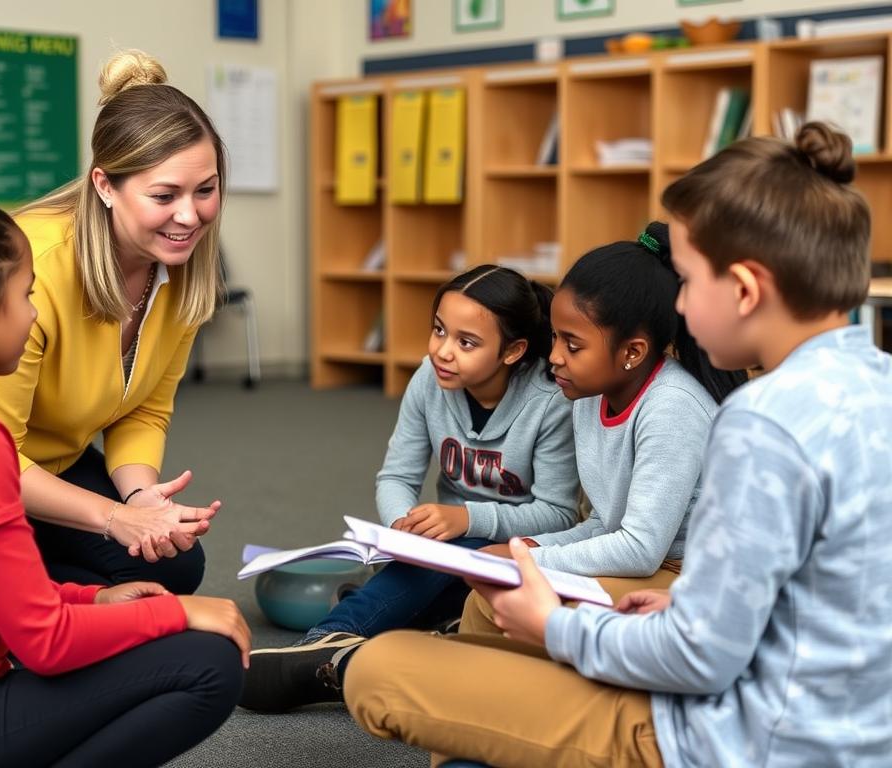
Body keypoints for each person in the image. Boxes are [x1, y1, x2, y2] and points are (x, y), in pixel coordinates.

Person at [344, 122, 892, 767]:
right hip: (843, 728)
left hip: (737, 739)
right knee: (478, 669)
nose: (678, 307)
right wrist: (685, 604)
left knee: (381, 670)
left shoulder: (760, 421)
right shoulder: (875, 382)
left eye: (688, 282)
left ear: (745, 289)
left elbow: (699, 660)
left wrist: (557, 627)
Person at [0, 189, 251, 768]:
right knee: (209, 661)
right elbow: (45, 643)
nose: (33, 313)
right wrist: (178, 614)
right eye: (25, 296)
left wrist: (94, 598)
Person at [240, 265, 580, 712]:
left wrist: (468, 518)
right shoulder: (428, 379)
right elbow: (397, 476)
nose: (442, 351)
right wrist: (402, 525)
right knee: (428, 569)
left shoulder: (551, 402)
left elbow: (558, 514)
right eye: (439, 330)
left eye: (466, 342)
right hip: (445, 555)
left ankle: (327, 640)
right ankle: (406, 640)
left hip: (515, 555)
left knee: (440, 565)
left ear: (512, 351)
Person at [0, 50, 226, 594]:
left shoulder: (183, 269)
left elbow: (144, 408)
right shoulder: (33, 268)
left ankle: (37, 590)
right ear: (106, 186)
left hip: (54, 464)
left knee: (173, 565)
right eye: (165, 195)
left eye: (205, 190)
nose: (190, 215)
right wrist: (113, 518)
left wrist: (139, 499)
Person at [464, 222, 747, 634]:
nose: (554, 357)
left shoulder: (672, 407)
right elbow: (606, 523)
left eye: (572, 345)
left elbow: (640, 549)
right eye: (555, 338)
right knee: (489, 597)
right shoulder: (588, 394)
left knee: (540, 602)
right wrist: (528, 547)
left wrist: (529, 561)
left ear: (632, 352)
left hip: (694, 578)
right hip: (646, 564)